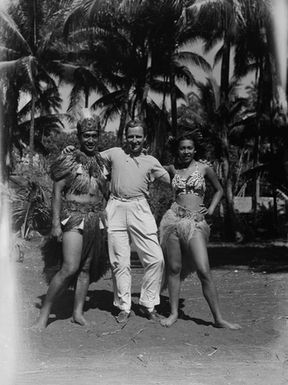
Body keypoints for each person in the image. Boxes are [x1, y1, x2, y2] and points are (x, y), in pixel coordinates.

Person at [32, 111, 108, 331]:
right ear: (80, 136)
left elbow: (106, 190)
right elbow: (57, 190)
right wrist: (56, 223)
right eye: (87, 135)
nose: (91, 140)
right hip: (74, 218)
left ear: (98, 136)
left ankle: (77, 313)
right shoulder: (71, 159)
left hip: (95, 218)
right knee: (70, 267)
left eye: (94, 135)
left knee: (85, 269)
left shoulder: (102, 162)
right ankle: (44, 314)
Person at [159, 131, 241, 329]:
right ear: (177, 150)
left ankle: (218, 319)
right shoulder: (171, 168)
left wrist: (211, 209)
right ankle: (173, 313)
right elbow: (148, 169)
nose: (186, 151)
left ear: (195, 149)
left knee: (204, 270)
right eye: (182, 148)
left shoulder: (204, 168)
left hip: (195, 223)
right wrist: (141, 154)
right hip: (173, 221)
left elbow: (219, 190)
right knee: (174, 269)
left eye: (189, 148)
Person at [101, 119, 170, 323]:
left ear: (144, 138)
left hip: (140, 207)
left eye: (138, 136)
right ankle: (123, 306)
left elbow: (172, 178)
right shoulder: (114, 153)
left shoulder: (151, 161)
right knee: (119, 261)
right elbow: (90, 159)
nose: (134, 140)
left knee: (156, 259)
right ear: (125, 137)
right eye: (130, 136)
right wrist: (71, 151)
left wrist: (196, 168)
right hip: (115, 207)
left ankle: (148, 303)